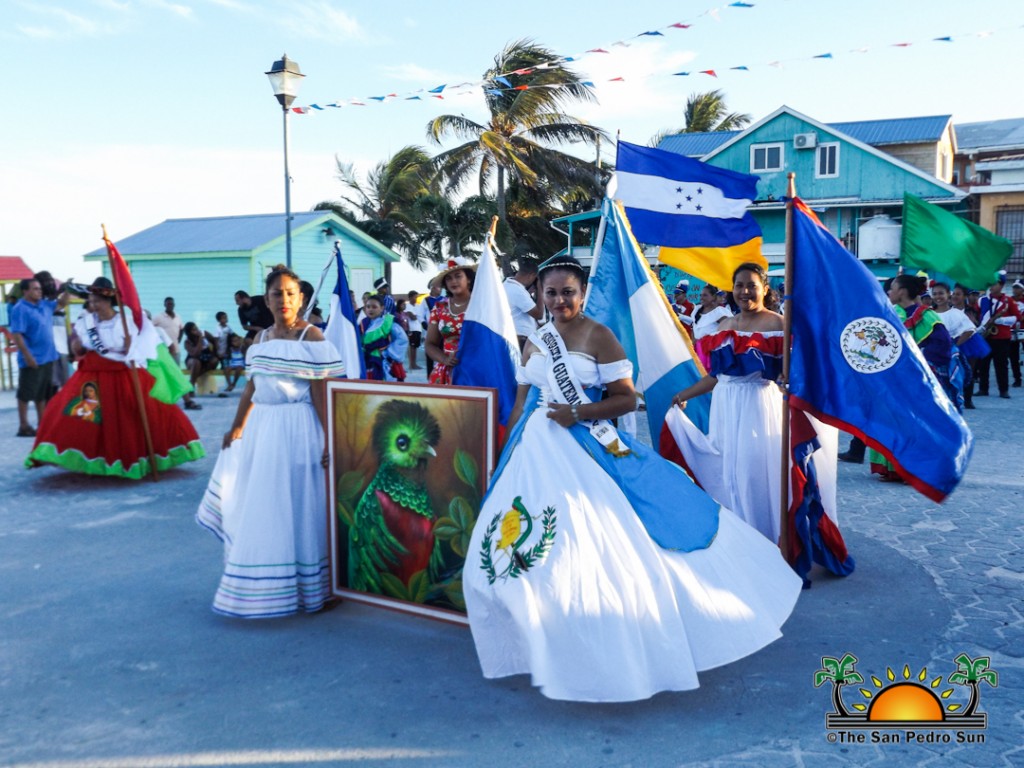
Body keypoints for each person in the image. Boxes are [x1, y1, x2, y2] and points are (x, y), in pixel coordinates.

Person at [462, 255, 802, 703]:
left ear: (581, 295)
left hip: (585, 444)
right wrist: (506, 445)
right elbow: (523, 397)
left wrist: (579, 411)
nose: (560, 300)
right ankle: (537, 645)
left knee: (589, 543)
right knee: (520, 550)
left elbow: (626, 400)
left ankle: (599, 643)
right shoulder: (534, 341)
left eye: (568, 292)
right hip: (533, 449)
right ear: (539, 297)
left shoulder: (599, 336)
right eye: (551, 293)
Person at [196, 265, 345, 618]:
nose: (284, 300)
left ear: (301, 298)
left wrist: (329, 440)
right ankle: (271, 585)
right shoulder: (260, 339)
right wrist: (236, 426)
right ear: (267, 299)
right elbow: (252, 384)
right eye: (277, 294)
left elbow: (321, 391)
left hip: (300, 426)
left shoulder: (313, 338)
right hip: (263, 428)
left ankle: (315, 590)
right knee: (266, 504)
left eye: (291, 293)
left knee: (301, 505)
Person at [666, 263, 837, 543]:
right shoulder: (725, 326)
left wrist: (788, 380)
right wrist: (684, 395)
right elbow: (716, 377)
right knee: (729, 471)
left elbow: (799, 373)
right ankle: (738, 540)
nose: (744, 292)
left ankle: (770, 538)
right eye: (739, 286)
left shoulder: (779, 325)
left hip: (760, 406)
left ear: (765, 289)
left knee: (756, 473)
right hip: (725, 408)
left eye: (751, 285)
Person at [26, 277, 204, 478]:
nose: (93, 306)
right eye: (91, 301)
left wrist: (131, 344)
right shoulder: (87, 323)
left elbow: (135, 349)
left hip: (123, 375)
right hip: (91, 376)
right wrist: (77, 344)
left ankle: (138, 458)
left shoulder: (126, 323)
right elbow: (79, 347)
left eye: (97, 301)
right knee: (72, 413)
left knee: (130, 417)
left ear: (109, 300)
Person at [868, 275, 958, 480]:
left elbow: (943, 348)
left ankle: (913, 470)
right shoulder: (891, 313)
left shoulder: (926, 316)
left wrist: (914, 359)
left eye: (892, 288)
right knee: (892, 421)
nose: (889, 292)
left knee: (913, 424)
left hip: (916, 381)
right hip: (894, 379)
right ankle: (894, 468)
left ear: (903, 292)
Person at [9, 277, 68, 437]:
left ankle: (42, 425)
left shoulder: (44, 305)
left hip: (48, 357)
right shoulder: (20, 308)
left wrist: (67, 290)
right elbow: (17, 334)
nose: (39, 291)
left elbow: (62, 304)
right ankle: (23, 425)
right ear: (25, 291)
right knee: (25, 394)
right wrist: (27, 356)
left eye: (39, 288)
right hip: (32, 358)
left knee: (41, 394)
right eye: (35, 289)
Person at [933, 281, 987, 410]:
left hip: (952, 350)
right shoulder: (929, 313)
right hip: (935, 352)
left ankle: (959, 401)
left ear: (948, 295)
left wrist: (954, 345)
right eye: (934, 294)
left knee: (956, 376)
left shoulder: (956, 313)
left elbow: (970, 329)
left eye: (941, 293)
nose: (937, 296)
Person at [425, 257, 475, 385]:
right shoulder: (440, 308)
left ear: (468, 279)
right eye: (449, 278)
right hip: (446, 373)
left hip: (476, 371)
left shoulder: (481, 305)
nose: (453, 281)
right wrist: (444, 359)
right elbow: (430, 344)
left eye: (458, 276)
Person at [975, 276, 1020, 399]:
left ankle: (1003, 390)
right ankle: (983, 389)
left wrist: (1002, 320)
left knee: (1001, 365)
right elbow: (976, 315)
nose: (992, 286)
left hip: (1002, 338)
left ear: (1001, 285)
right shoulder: (983, 300)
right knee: (983, 364)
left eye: (994, 284)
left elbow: (1017, 317)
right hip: (985, 336)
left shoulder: (1008, 300)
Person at [359, 294, 408, 381]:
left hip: (383, 362)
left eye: (374, 307)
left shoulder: (388, 323)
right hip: (366, 362)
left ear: (382, 308)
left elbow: (402, 340)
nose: (370, 309)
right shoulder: (363, 324)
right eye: (368, 306)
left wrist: (388, 353)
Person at [503, 259, 544, 350]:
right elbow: (539, 314)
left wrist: (528, 293)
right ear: (531, 275)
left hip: (511, 337)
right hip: (521, 340)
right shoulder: (518, 291)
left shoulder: (506, 285)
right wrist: (540, 289)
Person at [690, 284, 732, 370]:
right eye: (701, 295)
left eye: (705, 295)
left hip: (711, 351)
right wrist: (691, 347)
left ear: (713, 297)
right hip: (698, 349)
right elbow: (694, 332)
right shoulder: (697, 310)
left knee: (711, 374)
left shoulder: (719, 312)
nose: (701, 297)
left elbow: (729, 329)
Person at [183, 322, 220, 404]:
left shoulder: (205, 333)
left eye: (196, 328)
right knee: (196, 362)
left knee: (215, 361)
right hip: (193, 359)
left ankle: (190, 382)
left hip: (206, 357)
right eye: (193, 330)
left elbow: (214, 340)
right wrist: (200, 339)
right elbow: (195, 354)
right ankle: (191, 385)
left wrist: (215, 353)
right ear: (189, 332)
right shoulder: (187, 342)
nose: (197, 330)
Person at [151, 297, 184, 365]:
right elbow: (150, 327)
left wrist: (179, 339)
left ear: (174, 305)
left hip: (176, 350)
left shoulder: (178, 317)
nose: (170, 305)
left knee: (176, 371)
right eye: (168, 304)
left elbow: (182, 328)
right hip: (164, 350)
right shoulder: (159, 316)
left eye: (171, 304)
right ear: (164, 305)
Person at [405, 290, 423, 370]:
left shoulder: (418, 306)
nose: (416, 298)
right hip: (412, 329)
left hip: (418, 329)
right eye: (415, 297)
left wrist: (417, 315)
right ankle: (411, 364)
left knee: (415, 347)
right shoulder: (407, 306)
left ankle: (414, 364)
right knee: (412, 347)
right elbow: (413, 317)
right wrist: (417, 315)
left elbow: (420, 316)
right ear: (410, 297)